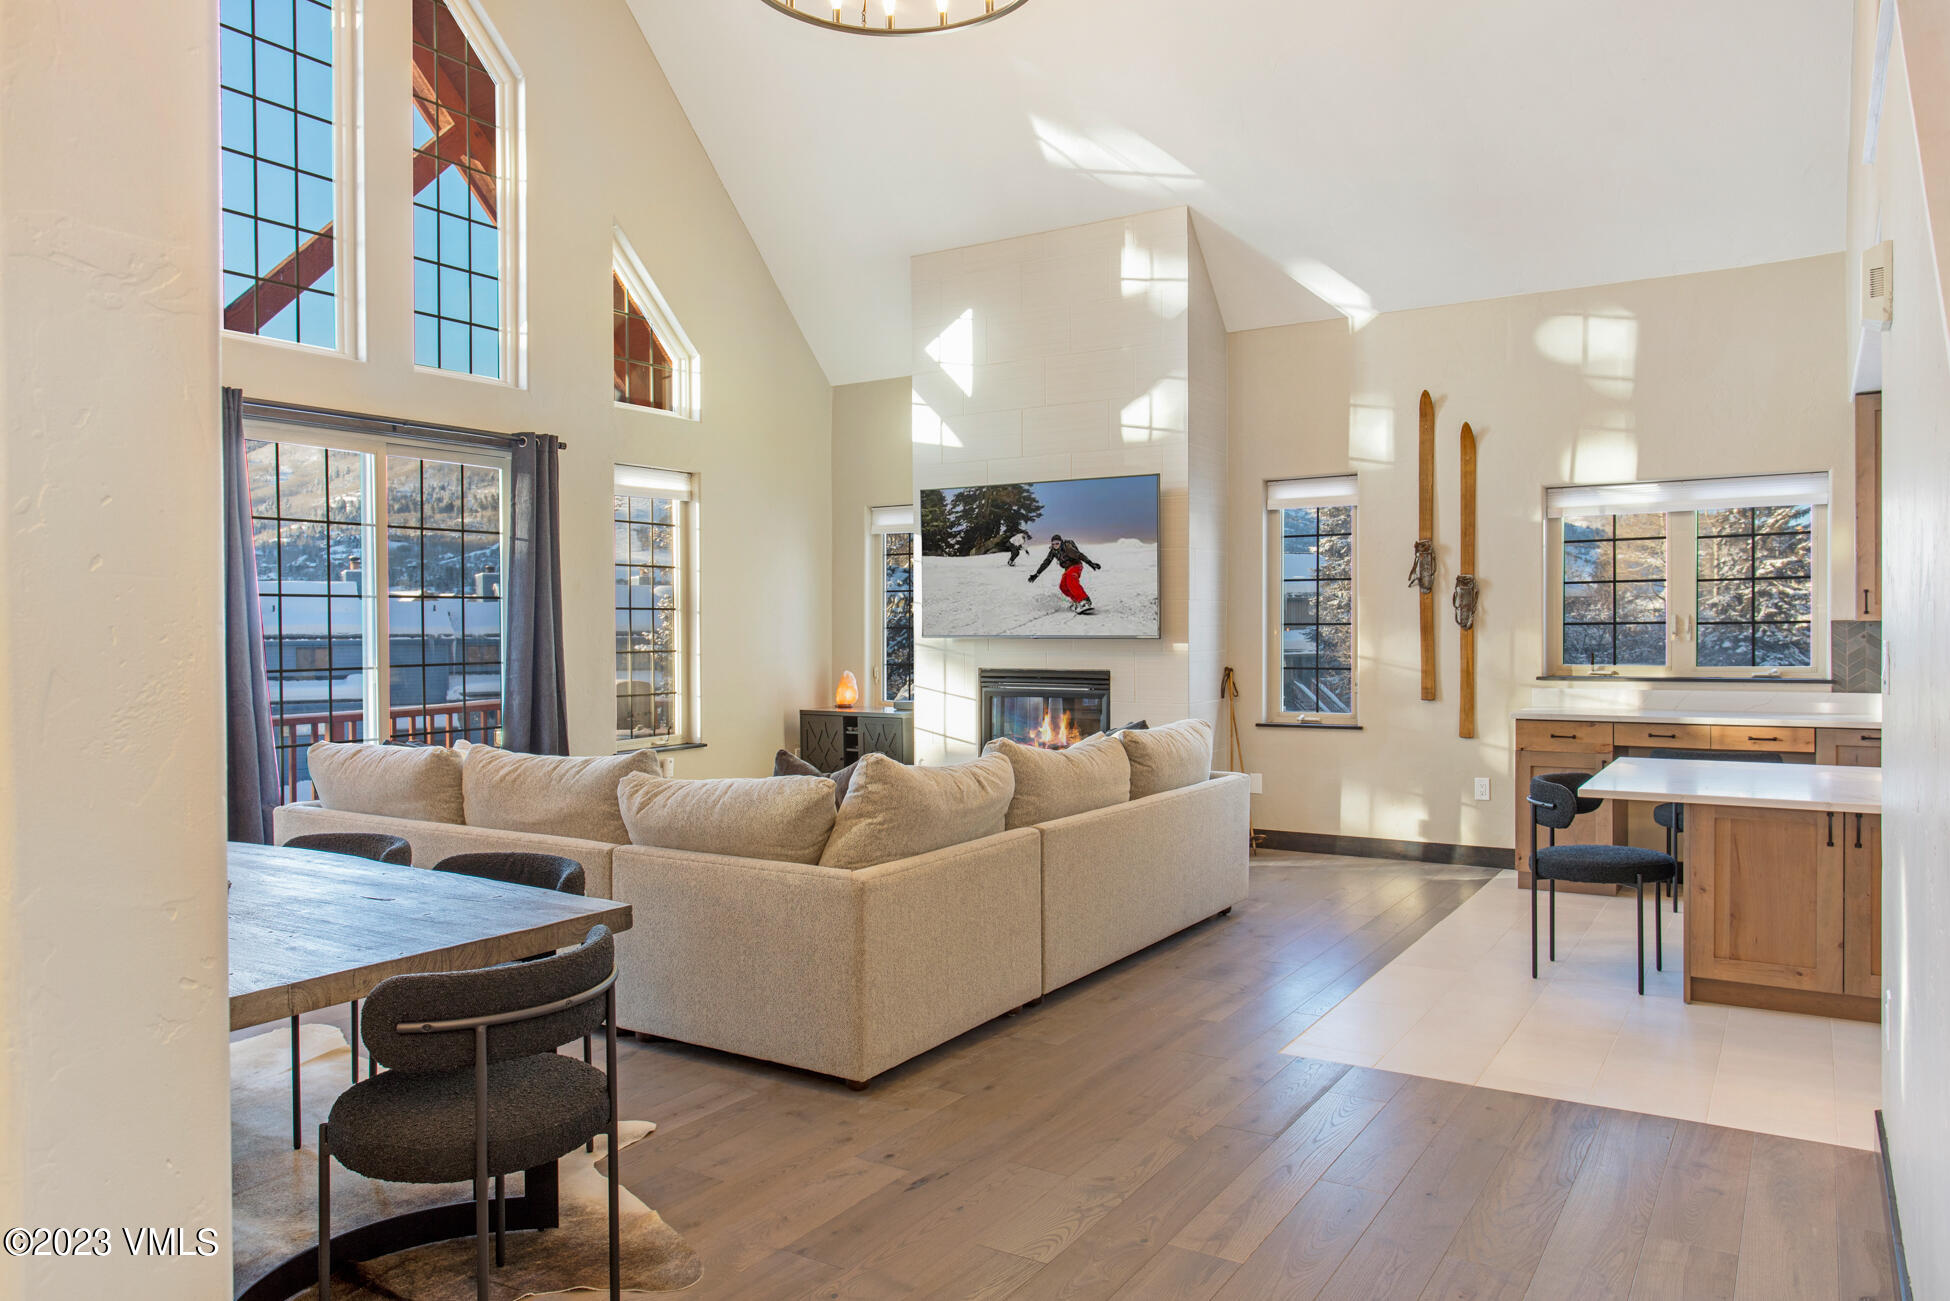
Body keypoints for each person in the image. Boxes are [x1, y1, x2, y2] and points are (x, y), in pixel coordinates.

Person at [1028, 533, 1101, 614]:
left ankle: (1084, 600)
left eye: (1057, 543)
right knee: (1063, 586)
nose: (1055, 545)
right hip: (1068, 569)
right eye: (1053, 544)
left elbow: (1079, 555)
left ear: (1061, 542)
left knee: (1071, 579)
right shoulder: (1053, 551)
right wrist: (1037, 574)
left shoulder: (1067, 548)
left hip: (1076, 566)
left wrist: (1090, 563)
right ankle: (1076, 601)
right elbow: (1046, 562)